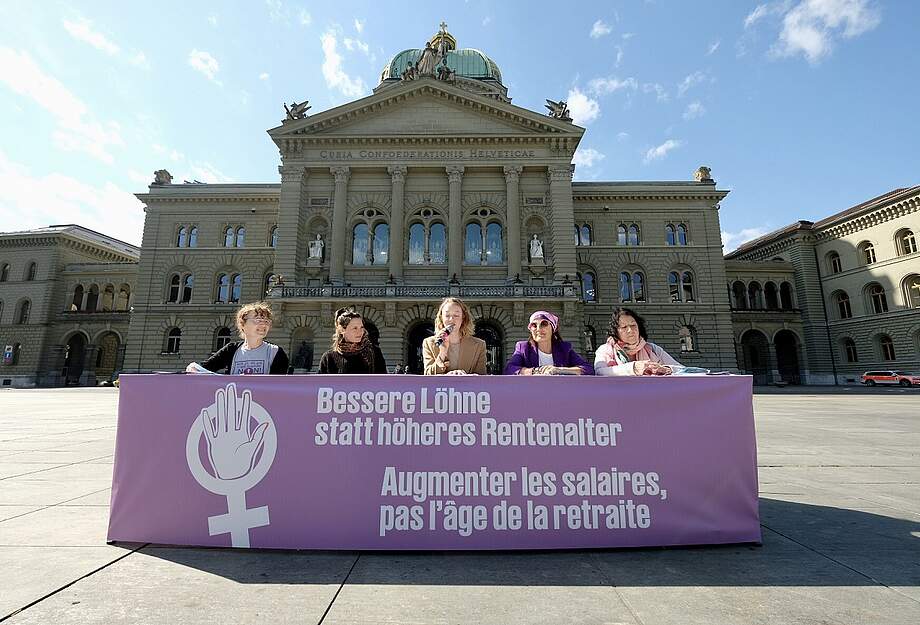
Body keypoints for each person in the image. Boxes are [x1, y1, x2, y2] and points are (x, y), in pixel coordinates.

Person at [187, 302, 289, 374]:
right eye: (257, 320)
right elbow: (202, 368)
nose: (263, 324)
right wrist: (193, 368)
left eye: (266, 321)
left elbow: (279, 386)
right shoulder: (231, 349)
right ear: (242, 324)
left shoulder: (276, 352)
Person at [594, 307, 680, 376]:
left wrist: (667, 369)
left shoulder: (653, 349)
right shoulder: (605, 349)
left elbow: (681, 369)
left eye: (633, 325)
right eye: (624, 327)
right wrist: (633, 368)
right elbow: (599, 372)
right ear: (615, 331)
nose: (630, 330)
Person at [504, 311, 593, 375]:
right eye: (534, 325)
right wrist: (535, 371)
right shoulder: (523, 348)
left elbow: (588, 369)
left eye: (544, 324)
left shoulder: (564, 349)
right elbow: (509, 369)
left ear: (553, 329)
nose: (538, 329)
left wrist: (559, 370)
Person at [422, 297, 487, 375]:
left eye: (456, 315)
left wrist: (464, 376)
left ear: (463, 318)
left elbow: (481, 378)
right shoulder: (429, 343)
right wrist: (442, 353)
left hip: (467, 387)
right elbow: (428, 375)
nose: (451, 319)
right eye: (447, 315)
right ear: (441, 318)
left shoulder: (479, 345)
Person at [318, 308, 387, 374]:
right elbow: (321, 383)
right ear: (342, 330)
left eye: (361, 327)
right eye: (355, 328)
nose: (360, 332)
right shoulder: (329, 358)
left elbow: (383, 380)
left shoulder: (374, 352)